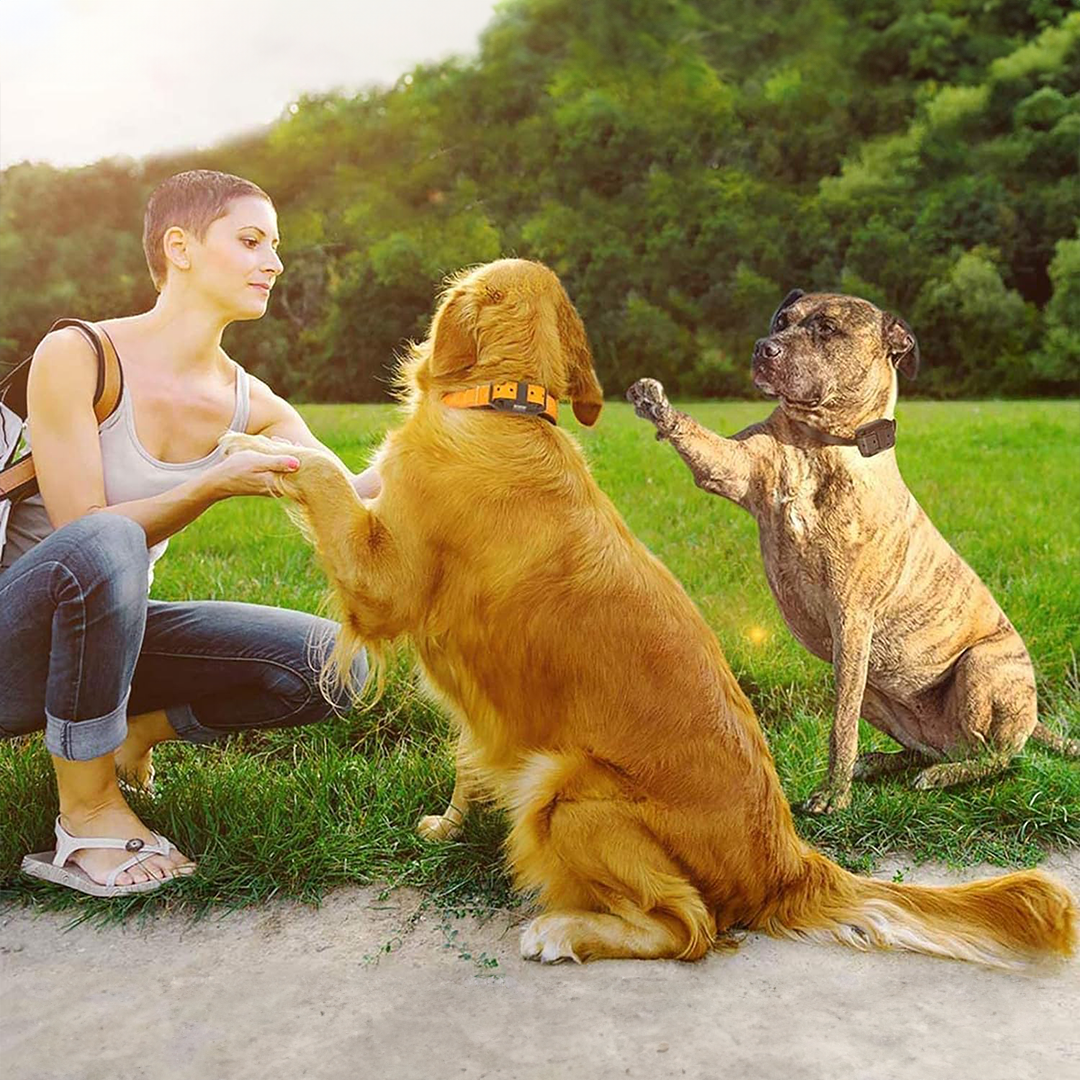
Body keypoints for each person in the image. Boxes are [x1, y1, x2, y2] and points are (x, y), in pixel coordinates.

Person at [0, 169, 379, 893]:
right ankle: (85, 817)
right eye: (250, 240)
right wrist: (207, 486)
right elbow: (82, 533)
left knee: (336, 665)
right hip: (9, 643)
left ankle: (132, 736)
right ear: (180, 247)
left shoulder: (249, 402)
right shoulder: (79, 354)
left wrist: (462, 431)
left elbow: (353, 492)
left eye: (275, 245)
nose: (273, 262)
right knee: (108, 541)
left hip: (106, 645)